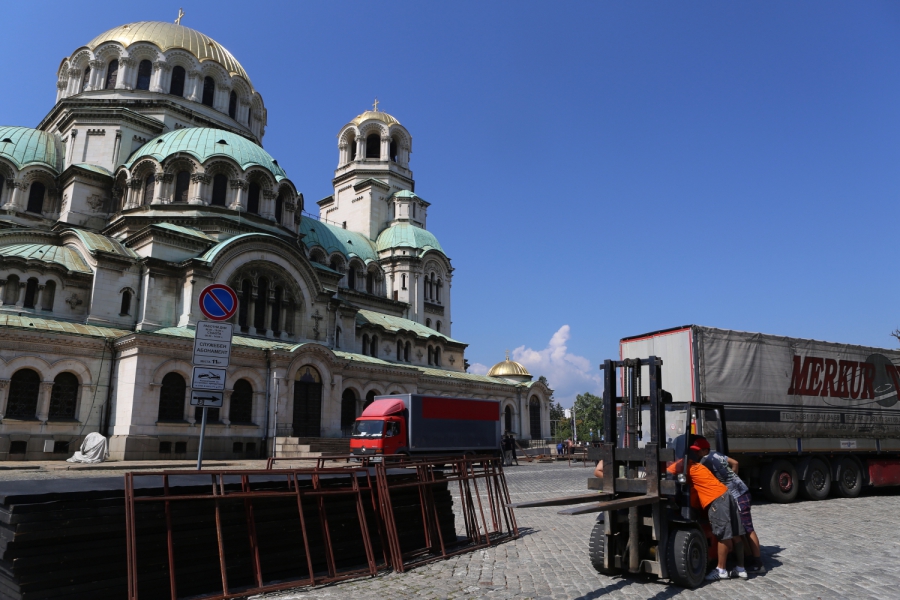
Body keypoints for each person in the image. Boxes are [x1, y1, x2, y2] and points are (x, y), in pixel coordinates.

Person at [667, 436, 747, 581]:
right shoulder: (698, 466)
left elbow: (667, 474)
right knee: (736, 533)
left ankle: (721, 570)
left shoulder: (685, 465)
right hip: (726, 494)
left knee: (723, 534)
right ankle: (741, 568)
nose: (696, 454)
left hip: (716, 499)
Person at [701, 442, 764, 573]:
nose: (696, 453)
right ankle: (748, 558)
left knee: (747, 529)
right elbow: (735, 463)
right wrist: (733, 478)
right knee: (741, 529)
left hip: (738, 495)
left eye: (698, 451)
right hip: (742, 489)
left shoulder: (705, 461)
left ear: (703, 450)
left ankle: (758, 564)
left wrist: (728, 485)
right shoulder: (716, 454)